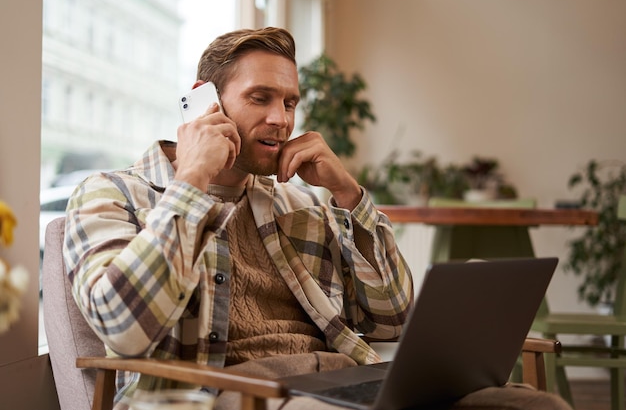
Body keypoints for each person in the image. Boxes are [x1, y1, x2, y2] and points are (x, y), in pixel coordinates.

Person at [63, 27, 571, 410]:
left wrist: (347, 195)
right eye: (259, 98)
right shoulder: (111, 195)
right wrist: (192, 180)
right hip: (241, 394)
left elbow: (391, 317)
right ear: (204, 101)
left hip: (343, 381)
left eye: (289, 102)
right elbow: (122, 327)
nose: (281, 119)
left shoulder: (300, 204)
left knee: (533, 405)